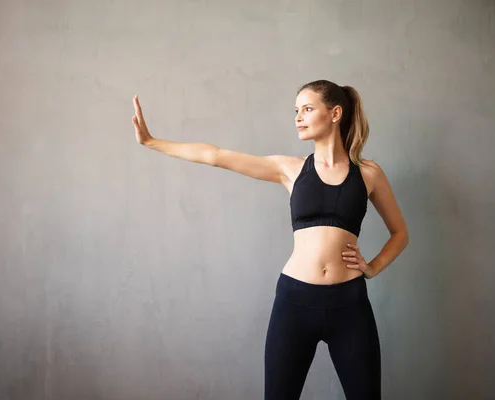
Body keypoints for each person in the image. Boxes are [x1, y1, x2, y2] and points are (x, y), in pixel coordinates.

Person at [131, 80, 409, 400]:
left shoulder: (369, 173)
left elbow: (400, 233)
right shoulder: (288, 169)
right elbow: (215, 155)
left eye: (307, 109)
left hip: (349, 306)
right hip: (294, 302)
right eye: (296, 111)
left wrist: (372, 267)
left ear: (335, 113)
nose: (298, 117)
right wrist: (152, 142)